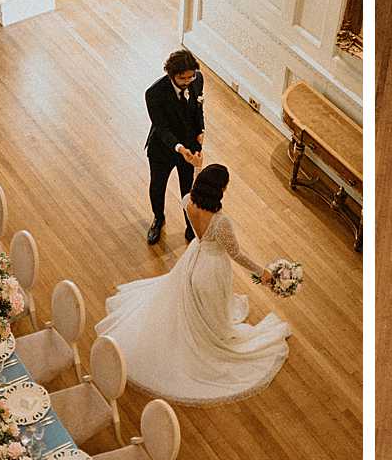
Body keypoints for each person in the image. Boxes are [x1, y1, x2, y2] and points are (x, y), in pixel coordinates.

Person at [96, 162, 290, 404]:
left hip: (193, 262)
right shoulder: (221, 222)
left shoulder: (189, 201)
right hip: (211, 269)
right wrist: (263, 272)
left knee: (194, 305)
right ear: (220, 189)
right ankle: (210, 336)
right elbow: (237, 255)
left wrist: (197, 168)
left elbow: (190, 188)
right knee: (212, 309)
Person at [143, 48, 205, 247]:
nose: (188, 81)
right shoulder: (154, 93)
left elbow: (198, 109)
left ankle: (190, 225)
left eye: (190, 76)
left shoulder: (198, 79)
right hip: (163, 149)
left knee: (188, 189)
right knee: (158, 186)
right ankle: (158, 219)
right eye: (182, 78)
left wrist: (201, 130)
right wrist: (179, 148)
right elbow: (161, 128)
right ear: (171, 74)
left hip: (190, 146)